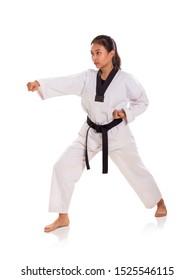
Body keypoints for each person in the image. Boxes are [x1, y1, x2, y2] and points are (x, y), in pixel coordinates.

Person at [27, 35, 167, 233]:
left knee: (136, 171)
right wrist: (40, 84)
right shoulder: (87, 77)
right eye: (92, 53)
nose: (94, 57)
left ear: (111, 54)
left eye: (98, 53)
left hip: (117, 133)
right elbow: (66, 82)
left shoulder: (126, 79)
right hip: (90, 133)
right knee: (62, 166)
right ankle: (62, 217)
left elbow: (143, 101)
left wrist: (127, 113)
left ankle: (159, 202)